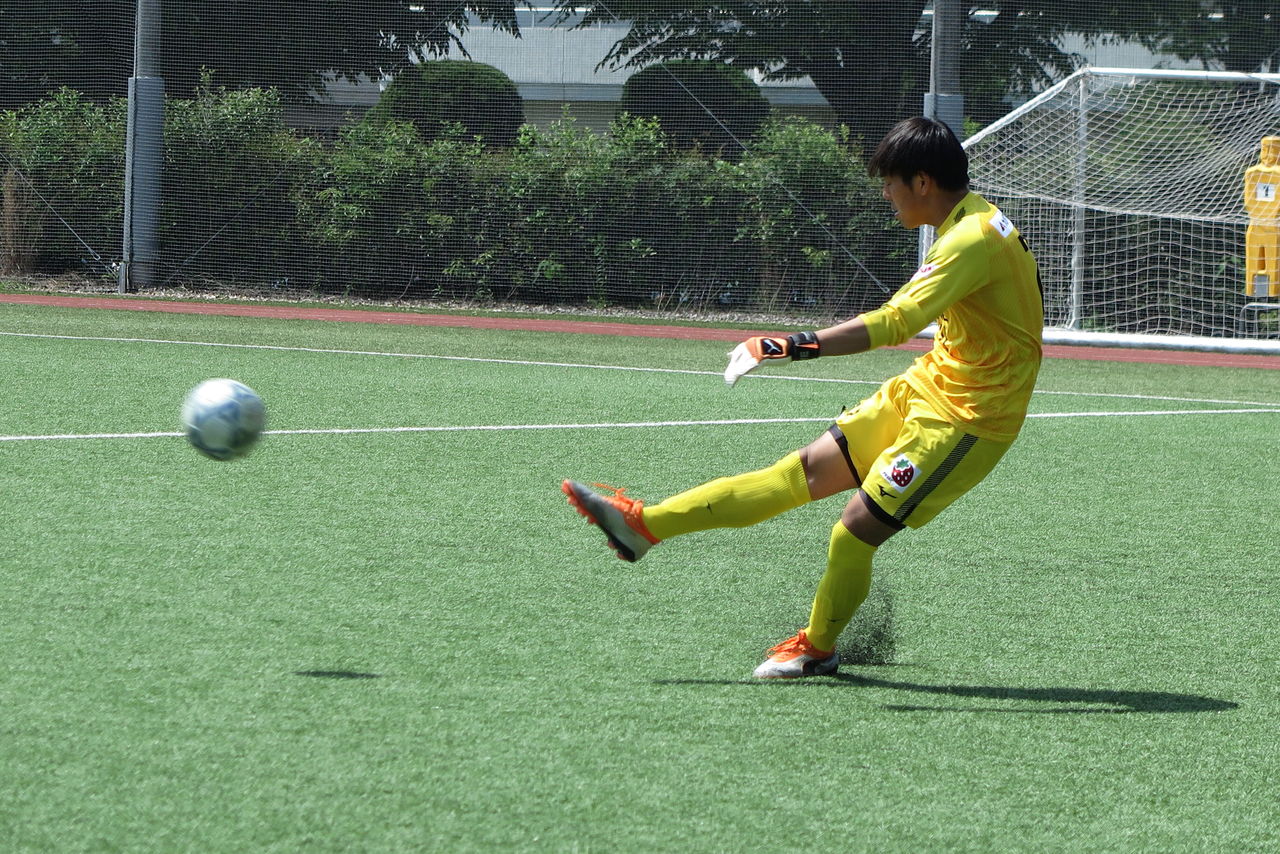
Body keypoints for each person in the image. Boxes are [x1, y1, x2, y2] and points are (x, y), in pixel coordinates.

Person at [562, 116, 1043, 679]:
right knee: (799, 472)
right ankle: (642, 526)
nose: (884, 194)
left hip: (968, 419)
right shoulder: (970, 219)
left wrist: (789, 345)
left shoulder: (971, 238)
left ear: (921, 182)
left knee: (856, 526)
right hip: (929, 386)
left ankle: (818, 648)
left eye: (889, 182)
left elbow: (894, 322)